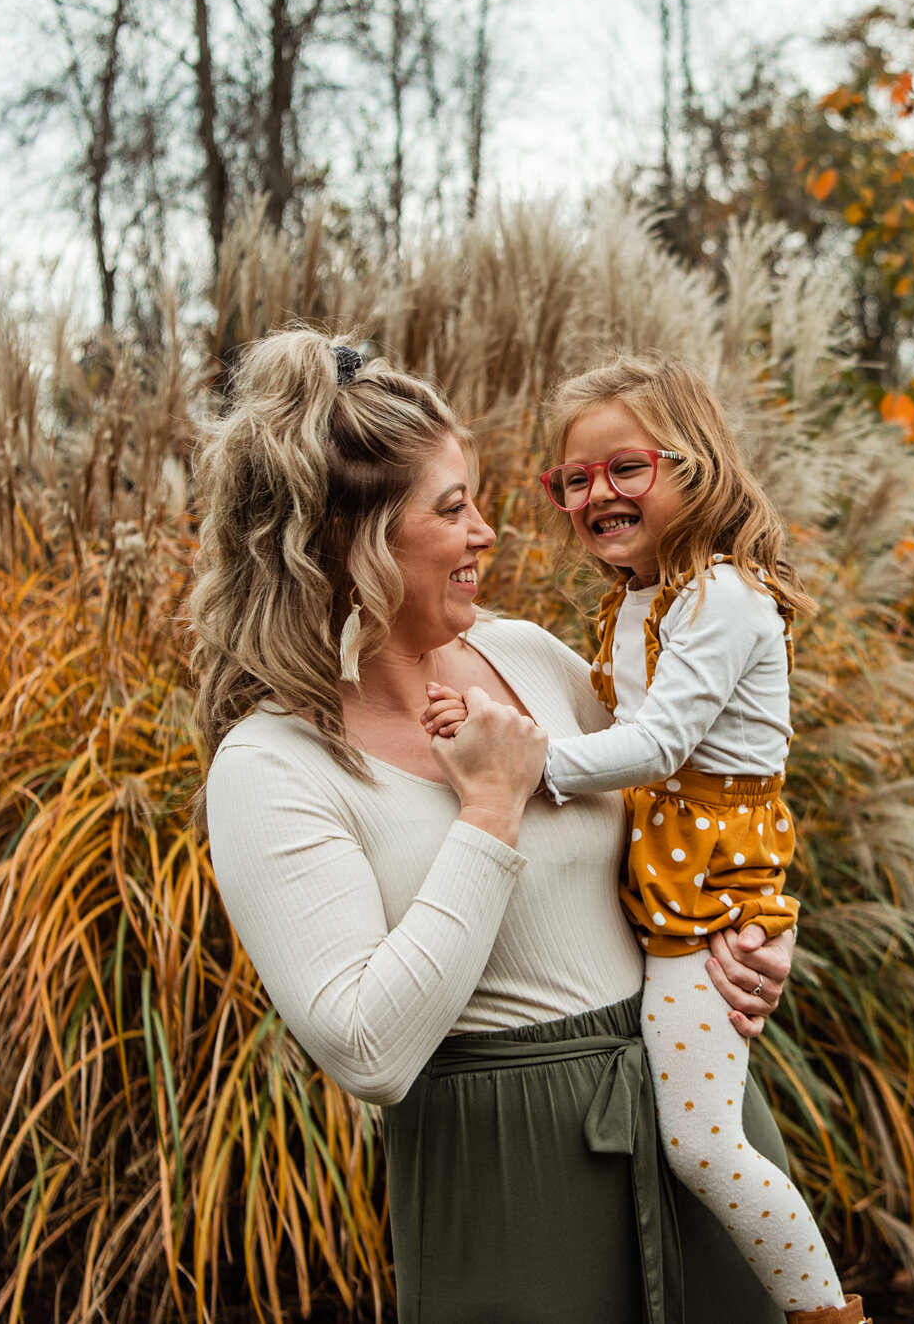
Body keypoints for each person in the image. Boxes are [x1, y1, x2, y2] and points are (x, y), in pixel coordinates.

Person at [190, 328, 804, 1324]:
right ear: (353, 540)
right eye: (451, 508)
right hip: (507, 1176)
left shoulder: (529, 657)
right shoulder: (272, 764)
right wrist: (486, 811)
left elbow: (704, 800)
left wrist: (757, 932)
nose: (487, 533)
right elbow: (368, 1051)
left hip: (692, 1115)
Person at [425, 357, 864, 1324]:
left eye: (626, 467)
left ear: (694, 463)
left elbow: (656, 743)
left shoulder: (721, 597)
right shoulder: (646, 598)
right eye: (573, 479)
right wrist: (489, 709)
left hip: (711, 885)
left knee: (704, 1144)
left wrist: (519, 763)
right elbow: (604, 729)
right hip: (672, 877)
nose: (597, 494)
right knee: (695, 1134)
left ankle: (824, 1313)